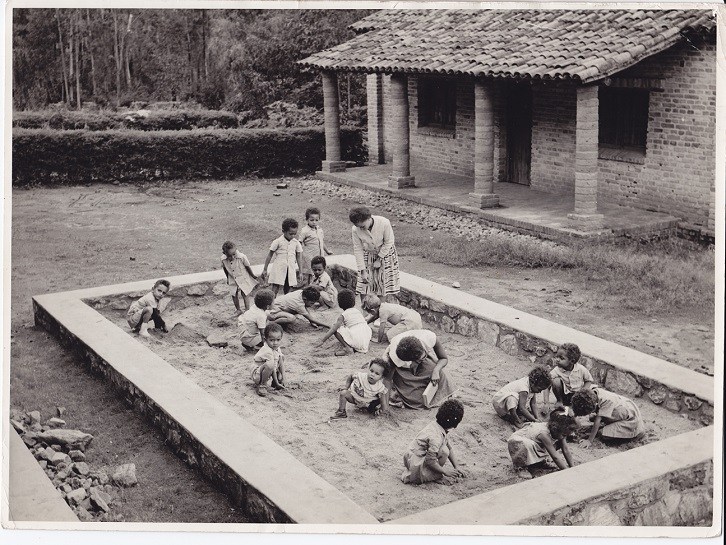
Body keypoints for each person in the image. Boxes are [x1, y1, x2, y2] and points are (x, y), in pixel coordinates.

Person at [384, 329, 454, 409]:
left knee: (441, 375)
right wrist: (385, 406)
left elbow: (444, 358)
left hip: (420, 356)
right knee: (414, 398)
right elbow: (387, 380)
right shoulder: (394, 357)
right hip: (402, 368)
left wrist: (436, 370)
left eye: (423, 357)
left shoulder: (429, 337)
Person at [401, 399, 466, 485]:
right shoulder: (436, 437)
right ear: (454, 425)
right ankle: (434, 476)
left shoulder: (435, 425)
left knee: (445, 448)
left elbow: (449, 446)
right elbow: (430, 460)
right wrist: (445, 472)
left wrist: (456, 466)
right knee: (444, 451)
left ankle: (430, 474)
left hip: (411, 460)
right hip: (416, 467)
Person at [349, 207, 400, 304]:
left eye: (363, 226)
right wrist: (362, 270)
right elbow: (358, 249)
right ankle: (365, 312)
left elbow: (389, 242)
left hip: (385, 253)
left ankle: (380, 311)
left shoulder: (384, 222)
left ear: (369, 218)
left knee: (381, 284)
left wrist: (379, 259)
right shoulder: (355, 229)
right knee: (364, 285)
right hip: (368, 254)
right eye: (359, 227)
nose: (361, 229)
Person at [571, 387, 646, 447]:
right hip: (622, 409)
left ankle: (629, 437)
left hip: (631, 420)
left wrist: (589, 440)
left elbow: (597, 421)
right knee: (592, 418)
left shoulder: (607, 401)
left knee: (602, 433)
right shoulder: (592, 392)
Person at [507, 411, 579, 473]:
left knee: (557, 444)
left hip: (535, 444)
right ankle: (520, 468)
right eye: (571, 429)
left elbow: (566, 450)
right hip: (518, 442)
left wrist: (572, 468)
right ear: (556, 427)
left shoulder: (561, 431)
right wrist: (566, 471)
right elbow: (555, 456)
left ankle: (538, 463)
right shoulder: (543, 434)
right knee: (526, 445)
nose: (572, 433)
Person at [317, 289, 372, 356]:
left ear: (340, 304)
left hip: (356, 339)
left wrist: (322, 341)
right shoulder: (358, 311)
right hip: (365, 338)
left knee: (336, 328)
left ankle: (347, 348)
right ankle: (358, 346)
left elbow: (333, 330)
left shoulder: (343, 315)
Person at [261, 218, 303, 296]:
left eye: (295, 234)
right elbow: (270, 255)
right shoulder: (277, 241)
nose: (293, 236)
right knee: (276, 286)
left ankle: (286, 302)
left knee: (288, 286)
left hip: (290, 268)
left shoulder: (296, 243)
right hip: (279, 267)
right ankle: (271, 303)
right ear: (283, 231)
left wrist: (300, 272)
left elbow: (299, 257)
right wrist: (265, 269)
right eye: (291, 234)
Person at [548, 343, 594, 407]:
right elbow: (547, 383)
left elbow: (588, 380)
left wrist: (582, 392)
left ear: (572, 361)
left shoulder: (581, 369)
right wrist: (545, 403)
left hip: (577, 396)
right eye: (557, 356)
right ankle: (560, 401)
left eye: (561, 358)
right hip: (564, 395)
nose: (557, 360)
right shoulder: (556, 370)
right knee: (555, 381)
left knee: (592, 393)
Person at [221, 241, 258, 315]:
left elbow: (247, 267)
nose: (232, 257)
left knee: (245, 293)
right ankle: (238, 309)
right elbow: (225, 269)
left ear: (236, 250)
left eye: (234, 254)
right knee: (233, 294)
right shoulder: (223, 259)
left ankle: (247, 309)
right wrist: (228, 278)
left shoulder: (242, 257)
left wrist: (253, 276)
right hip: (232, 277)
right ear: (224, 253)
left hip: (242, 277)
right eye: (229, 255)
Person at [299, 207, 332, 286]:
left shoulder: (319, 230)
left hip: (320, 257)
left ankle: (317, 291)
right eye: (312, 220)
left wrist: (327, 251)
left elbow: (321, 242)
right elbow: (299, 243)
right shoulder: (305, 231)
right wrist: (299, 255)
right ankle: (309, 291)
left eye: (316, 220)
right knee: (311, 275)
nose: (314, 222)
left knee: (320, 275)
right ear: (307, 220)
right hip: (309, 257)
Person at [252, 323, 286, 397]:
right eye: (272, 340)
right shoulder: (267, 351)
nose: (275, 343)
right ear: (265, 339)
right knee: (270, 364)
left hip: (267, 371)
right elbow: (272, 368)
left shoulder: (276, 348)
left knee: (281, 357)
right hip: (258, 374)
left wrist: (283, 378)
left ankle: (275, 381)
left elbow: (281, 362)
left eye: (278, 340)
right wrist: (277, 382)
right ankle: (262, 385)